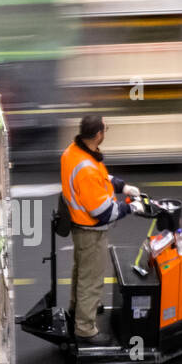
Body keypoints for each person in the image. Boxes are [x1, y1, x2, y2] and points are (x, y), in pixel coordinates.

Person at [60, 115, 142, 346]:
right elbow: (104, 212)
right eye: (106, 129)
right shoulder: (86, 169)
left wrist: (122, 186)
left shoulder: (74, 151)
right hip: (91, 232)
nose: (106, 132)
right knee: (92, 280)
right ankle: (85, 329)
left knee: (81, 273)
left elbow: (101, 177)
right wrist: (130, 207)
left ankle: (78, 309)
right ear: (98, 134)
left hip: (79, 227)